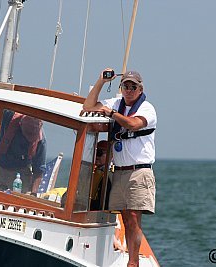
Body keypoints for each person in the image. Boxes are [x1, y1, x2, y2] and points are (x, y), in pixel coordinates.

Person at [83, 69, 157, 267]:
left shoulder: (147, 108)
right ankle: (131, 259)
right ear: (121, 88)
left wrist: (112, 114)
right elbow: (88, 106)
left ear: (140, 89)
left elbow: (133, 124)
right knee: (125, 218)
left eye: (134, 86)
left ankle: (133, 263)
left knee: (133, 217)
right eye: (126, 86)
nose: (129, 90)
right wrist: (100, 81)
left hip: (139, 171)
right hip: (120, 171)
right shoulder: (115, 103)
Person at [0, 106, 47, 194]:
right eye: (28, 133)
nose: (29, 138)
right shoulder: (8, 116)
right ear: (21, 124)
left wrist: (33, 193)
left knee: (19, 200)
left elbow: (38, 170)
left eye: (33, 134)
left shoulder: (41, 141)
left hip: (21, 173)